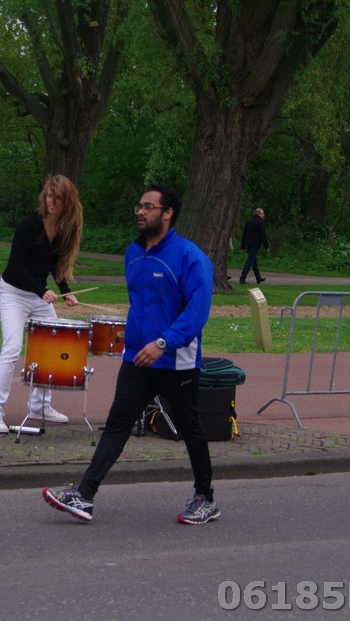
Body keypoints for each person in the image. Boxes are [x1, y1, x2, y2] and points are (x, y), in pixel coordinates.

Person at [42, 184, 218, 525]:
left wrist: (163, 343)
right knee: (117, 425)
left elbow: (197, 312)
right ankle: (85, 495)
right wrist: (136, 341)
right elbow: (143, 305)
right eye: (139, 205)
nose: (141, 211)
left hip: (175, 360)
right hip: (137, 358)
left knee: (190, 428)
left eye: (149, 206)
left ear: (167, 213)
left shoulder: (190, 256)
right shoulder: (133, 253)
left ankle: (205, 497)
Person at [0, 174, 83, 433]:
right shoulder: (30, 223)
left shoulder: (64, 228)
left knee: (52, 345)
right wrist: (42, 290)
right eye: (49, 196)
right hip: (14, 292)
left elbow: (56, 265)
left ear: (67, 202)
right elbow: (14, 267)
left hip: (38, 295)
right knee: (12, 348)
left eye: (57, 198)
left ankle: (39, 406)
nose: (51, 202)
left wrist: (66, 292)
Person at [239, 208, 269, 284]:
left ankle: (258, 278)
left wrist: (242, 246)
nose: (263, 215)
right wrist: (266, 246)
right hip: (255, 244)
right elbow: (263, 235)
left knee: (254, 261)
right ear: (259, 214)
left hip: (248, 244)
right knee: (250, 260)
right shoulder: (260, 222)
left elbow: (244, 233)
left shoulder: (249, 221)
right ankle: (242, 278)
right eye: (262, 213)